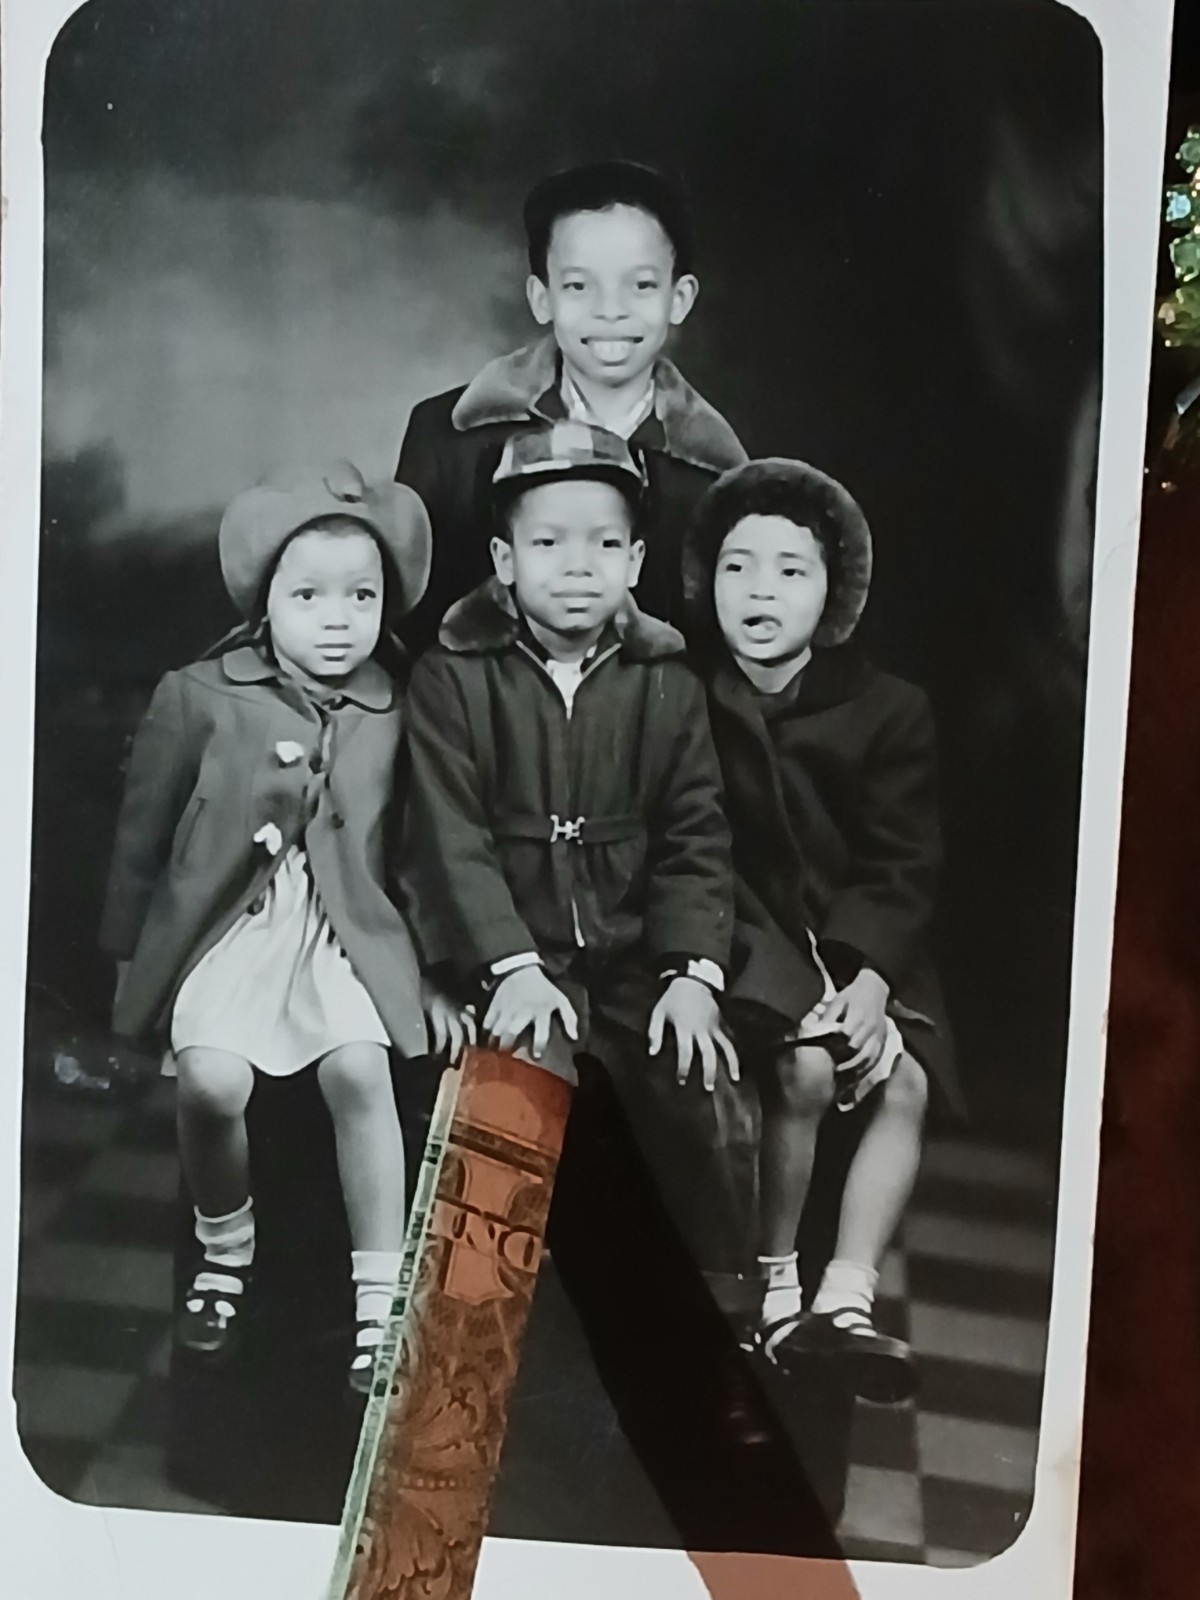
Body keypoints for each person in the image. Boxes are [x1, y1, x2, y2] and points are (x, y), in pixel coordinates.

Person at [99, 461, 472, 1393]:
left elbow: (422, 853)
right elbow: (141, 835)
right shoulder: (200, 693)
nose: (338, 618)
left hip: (346, 933)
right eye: (309, 595)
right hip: (231, 931)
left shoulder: (401, 706)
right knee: (213, 1084)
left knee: (361, 1069)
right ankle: (225, 1246)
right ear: (266, 603)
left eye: (361, 596)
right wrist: (125, 952)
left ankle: (381, 1300)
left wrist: (435, 972)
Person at [683, 457, 964, 1404]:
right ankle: (776, 1295)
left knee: (905, 1083)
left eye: (791, 571)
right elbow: (697, 856)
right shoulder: (686, 696)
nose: (761, 591)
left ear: (833, 593)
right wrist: (794, 981)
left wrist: (874, 978)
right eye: (738, 567)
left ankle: (847, 1299)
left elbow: (902, 861)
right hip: (745, 931)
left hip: (861, 940)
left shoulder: (888, 710)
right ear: (704, 580)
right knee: (803, 1069)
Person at [395, 159, 747, 651]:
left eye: (641, 285)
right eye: (580, 285)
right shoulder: (447, 437)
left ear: (680, 297)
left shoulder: (718, 479)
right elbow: (407, 634)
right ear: (542, 298)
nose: (610, 310)